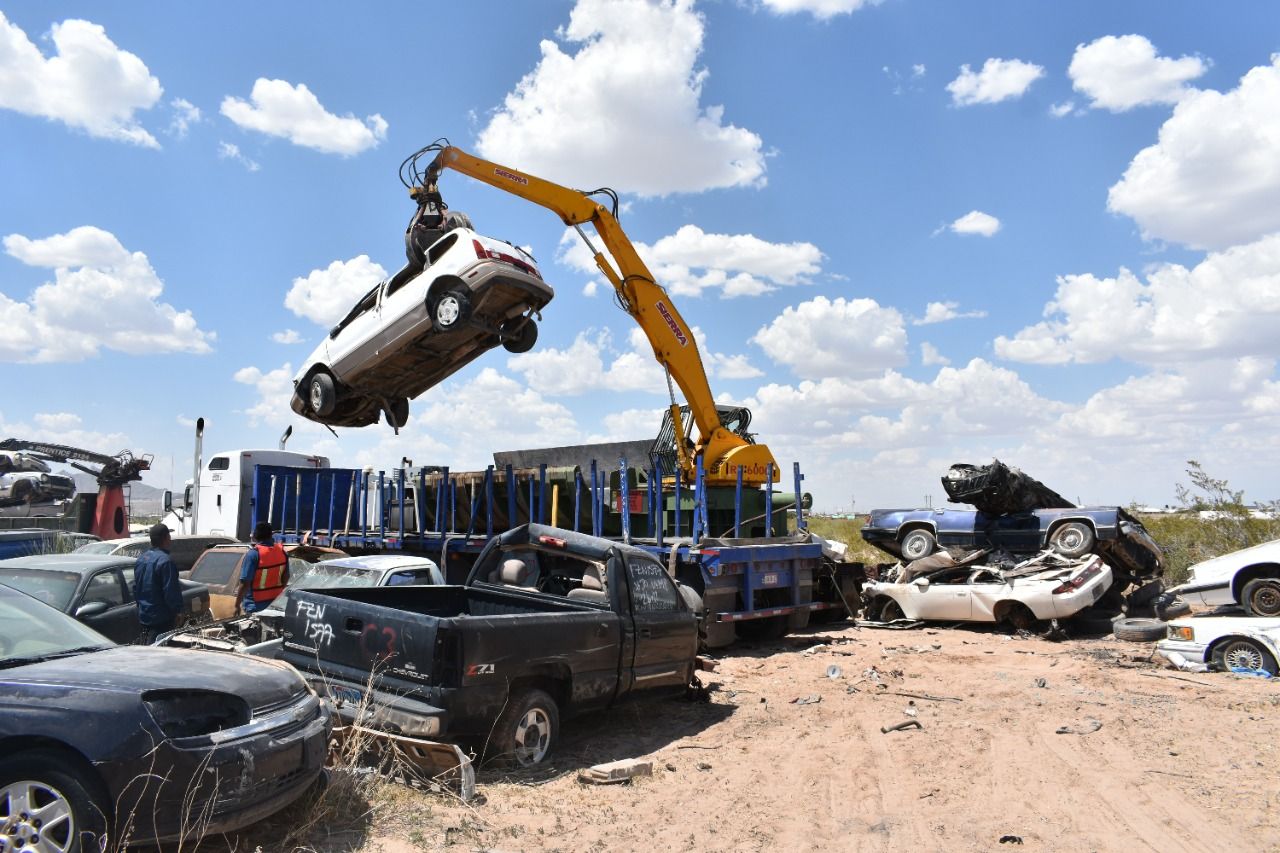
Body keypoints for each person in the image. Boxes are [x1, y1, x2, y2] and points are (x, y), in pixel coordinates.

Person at [133, 523, 182, 644]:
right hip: (161, 619)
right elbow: (171, 591)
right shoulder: (165, 562)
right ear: (166, 538)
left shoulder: (141, 559)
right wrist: (178, 611)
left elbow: (135, 588)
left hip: (144, 616)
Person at [236, 522, 289, 614]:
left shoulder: (253, 554)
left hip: (255, 606)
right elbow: (286, 576)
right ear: (271, 535)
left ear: (255, 536)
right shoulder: (282, 552)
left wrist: (236, 605)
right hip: (276, 604)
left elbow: (245, 583)